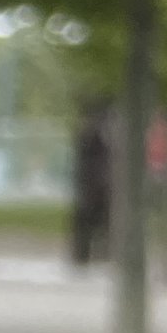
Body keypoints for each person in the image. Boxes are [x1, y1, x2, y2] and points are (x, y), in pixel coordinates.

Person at [70, 101, 112, 265]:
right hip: (91, 185)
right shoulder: (91, 135)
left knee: (98, 222)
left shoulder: (97, 135)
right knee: (88, 221)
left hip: (96, 185)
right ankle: (83, 255)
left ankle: (90, 254)